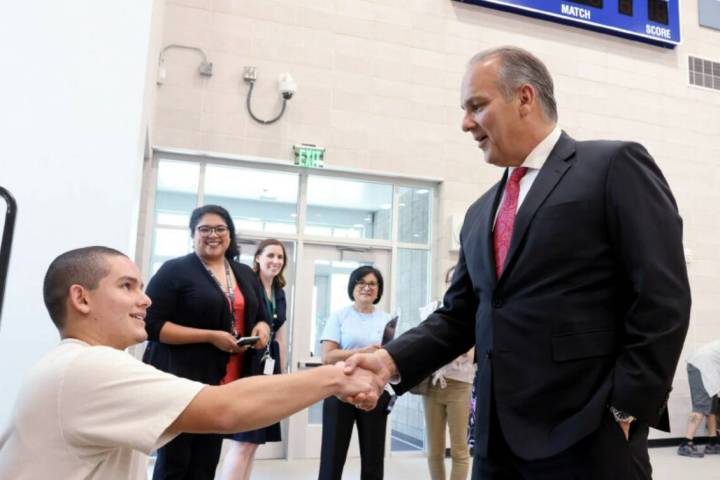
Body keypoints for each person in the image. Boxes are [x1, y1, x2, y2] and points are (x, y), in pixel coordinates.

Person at [344, 46, 690, 479]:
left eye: (477, 106)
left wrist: (627, 409)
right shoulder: (478, 213)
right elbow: (458, 317)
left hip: (589, 437)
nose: (466, 123)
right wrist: (390, 361)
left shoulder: (612, 166)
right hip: (495, 443)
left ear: (524, 98)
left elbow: (663, 297)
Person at [0, 246, 383, 480]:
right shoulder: (86, 368)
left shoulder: (81, 365)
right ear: (81, 299)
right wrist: (335, 378)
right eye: (127, 286)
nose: (146, 300)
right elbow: (227, 408)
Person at [142, 204, 272, 480]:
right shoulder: (175, 270)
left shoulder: (244, 273)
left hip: (226, 381)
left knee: (206, 462)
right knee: (176, 461)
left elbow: (262, 315)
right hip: (183, 381)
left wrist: (261, 330)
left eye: (220, 229)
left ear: (230, 234)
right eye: (205, 229)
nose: (213, 235)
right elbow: (151, 325)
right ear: (193, 234)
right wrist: (210, 337)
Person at [218, 239, 290, 480]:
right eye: (270, 256)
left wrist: (282, 373)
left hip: (270, 366)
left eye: (280, 257)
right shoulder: (248, 286)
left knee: (254, 442)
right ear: (258, 258)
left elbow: (279, 335)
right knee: (243, 440)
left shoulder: (279, 292)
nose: (276, 261)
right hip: (249, 364)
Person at [318, 265, 392, 480]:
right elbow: (327, 356)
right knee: (332, 455)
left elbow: (391, 357)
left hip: (375, 392)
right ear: (352, 287)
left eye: (372, 284)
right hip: (339, 390)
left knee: (373, 456)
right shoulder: (339, 317)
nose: (366, 288)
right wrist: (363, 352)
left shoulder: (387, 320)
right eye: (361, 282)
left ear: (378, 290)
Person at [419, 266, 474, 480]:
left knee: (459, 449)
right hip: (432, 383)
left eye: (458, 280)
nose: (454, 285)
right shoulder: (433, 310)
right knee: (434, 450)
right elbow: (423, 345)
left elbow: (471, 354)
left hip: (460, 384)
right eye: (450, 281)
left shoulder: (474, 312)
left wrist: (447, 346)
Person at [677, 340, 720, 457]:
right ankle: (686, 444)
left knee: (712, 407)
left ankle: (713, 442)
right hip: (702, 366)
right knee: (700, 407)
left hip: (708, 367)